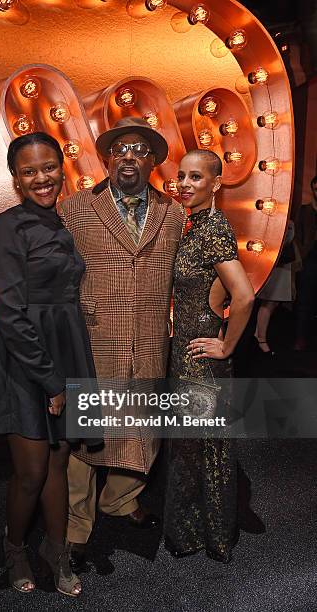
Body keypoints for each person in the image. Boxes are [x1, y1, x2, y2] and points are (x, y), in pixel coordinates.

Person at [0, 132, 100, 597]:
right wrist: (50, 380)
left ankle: (57, 550)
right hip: (24, 358)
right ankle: (14, 549)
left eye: (48, 167)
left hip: (66, 348)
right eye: (29, 171)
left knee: (60, 461)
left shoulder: (65, 224)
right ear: (16, 179)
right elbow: (9, 311)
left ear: (61, 166)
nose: (41, 178)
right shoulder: (8, 226)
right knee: (31, 471)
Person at [59, 117, 186, 569]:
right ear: (108, 159)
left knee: (141, 429)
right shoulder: (74, 209)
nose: (128, 156)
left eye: (139, 150)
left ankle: (121, 500)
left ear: (152, 162)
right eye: (120, 149)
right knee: (88, 438)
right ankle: (76, 529)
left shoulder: (173, 213)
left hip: (151, 336)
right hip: (95, 338)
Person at [164, 149, 254, 563]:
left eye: (196, 178)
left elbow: (244, 295)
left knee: (204, 446)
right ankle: (200, 532)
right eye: (182, 176)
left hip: (200, 357)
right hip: (185, 349)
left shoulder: (214, 228)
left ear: (216, 184)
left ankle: (207, 535)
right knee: (194, 445)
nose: (185, 183)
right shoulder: (194, 226)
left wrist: (228, 344)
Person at [255, 220, 297, 355]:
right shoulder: (278, 218)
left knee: (273, 301)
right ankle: (260, 339)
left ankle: (259, 334)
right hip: (275, 262)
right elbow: (284, 240)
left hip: (281, 262)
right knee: (270, 300)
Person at [294, 175, 317, 351]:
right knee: (305, 301)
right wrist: (300, 256)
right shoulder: (305, 210)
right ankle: (301, 338)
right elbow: (296, 237)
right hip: (309, 261)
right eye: (315, 189)